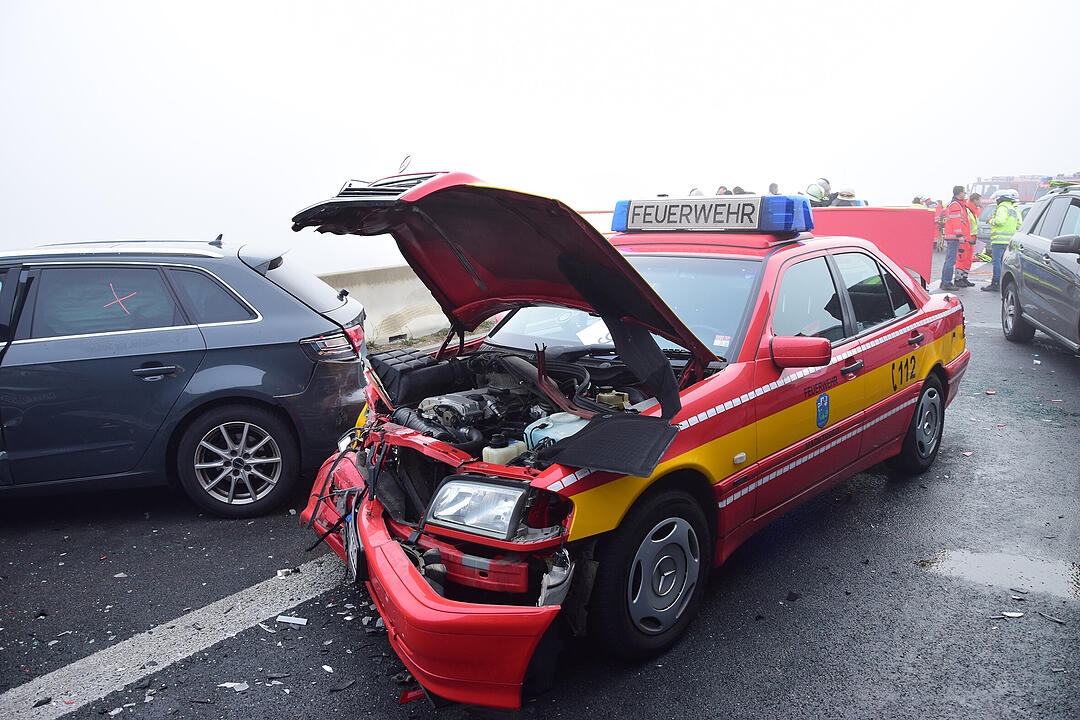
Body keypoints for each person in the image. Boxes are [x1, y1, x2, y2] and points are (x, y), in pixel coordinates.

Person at [981, 189, 1022, 292]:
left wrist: (990, 220)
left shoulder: (1002, 208)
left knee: (996, 262)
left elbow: (1000, 221)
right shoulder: (1013, 209)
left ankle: (995, 283)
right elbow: (1019, 225)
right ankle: (1002, 282)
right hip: (1009, 241)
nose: (996, 201)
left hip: (999, 240)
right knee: (1005, 262)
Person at [939, 185, 970, 291]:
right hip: (953, 237)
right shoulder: (956, 205)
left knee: (949, 260)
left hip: (951, 236)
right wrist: (959, 235)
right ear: (959, 193)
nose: (965, 194)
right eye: (964, 192)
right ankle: (946, 282)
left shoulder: (954, 204)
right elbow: (956, 221)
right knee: (951, 260)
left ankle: (945, 281)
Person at [954, 193, 980, 287]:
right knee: (962, 258)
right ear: (974, 200)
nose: (980, 202)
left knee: (968, 259)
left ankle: (964, 278)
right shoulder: (967, 210)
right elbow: (964, 224)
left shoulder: (973, 210)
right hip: (965, 238)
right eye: (979, 200)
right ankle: (958, 279)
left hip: (971, 238)